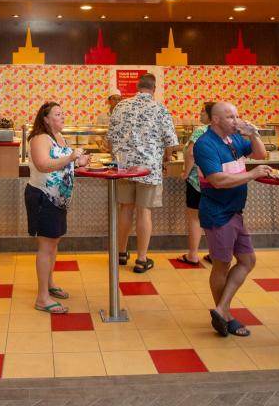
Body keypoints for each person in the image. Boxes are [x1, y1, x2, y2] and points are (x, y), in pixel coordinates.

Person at [193, 101, 273, 337]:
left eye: (237, 116)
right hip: (217, 212)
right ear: (215, 120)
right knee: (222, 264)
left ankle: (221, 309)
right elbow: (217, 180)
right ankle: (225, 315)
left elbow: (260, 153)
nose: (236, 120)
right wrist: (252, 174)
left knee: (248, 261)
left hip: (236, 211)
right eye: (230, 117)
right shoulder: (205, 144)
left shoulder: (234, 139)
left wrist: (254, 133)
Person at [107, 73, 179, 273]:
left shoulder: (120, 106)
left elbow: (110, 139)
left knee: (125, 209)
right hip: (148, 168)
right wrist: (166, 157)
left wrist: (119, 156)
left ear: (137, 87)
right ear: (154, 89)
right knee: (144, 211)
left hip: (124, 167)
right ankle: (141, 259)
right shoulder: (159, 108)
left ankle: (120, 253)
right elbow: (171, 143)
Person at [26, 101, 91, 314]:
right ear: (45, 119)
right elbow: (43, 164)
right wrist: (71, 157)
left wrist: (79, 163)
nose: (63, 117)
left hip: (58, 199)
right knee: (46, 245)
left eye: (63, 114)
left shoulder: (60, 137)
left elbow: (63, 163)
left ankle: (50, 284)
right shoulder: (39, 138)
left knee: (54, 243)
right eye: (57, 114)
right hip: (43, 197)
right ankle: (42, 298)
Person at [175, 101, 215, 266]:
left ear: (210, 115)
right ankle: (215, 253)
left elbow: (191, 153)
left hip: (197, 180)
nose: (200, 115)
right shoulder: (220, 131)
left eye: (202, 112)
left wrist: (185, 172)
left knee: (194, 218)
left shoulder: (200, 130)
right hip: (215, 179)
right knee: (212, 216)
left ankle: (192, 255)